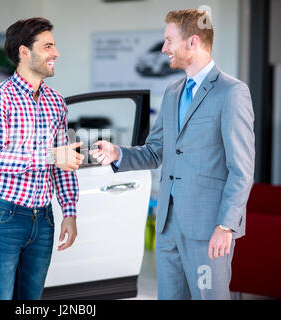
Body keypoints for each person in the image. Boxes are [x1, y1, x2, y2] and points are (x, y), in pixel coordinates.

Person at [89, 9, 255, 300]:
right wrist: (117, 152)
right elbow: (155, 152)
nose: (164, 48)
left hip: (208, 229)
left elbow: (241, 169)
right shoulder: (172, 93)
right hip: (168, 226)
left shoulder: (232, 93)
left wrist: (226, 225)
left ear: (192, 42)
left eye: (168, 40)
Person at [0, 17, 84, 300]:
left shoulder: (56, 101)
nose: (56, 53)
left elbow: (63, 163)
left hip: (44, 218)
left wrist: (69, 212)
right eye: (48, 46)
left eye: (54, 46)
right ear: (24, 52)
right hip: (3, 217)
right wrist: (51, 156)